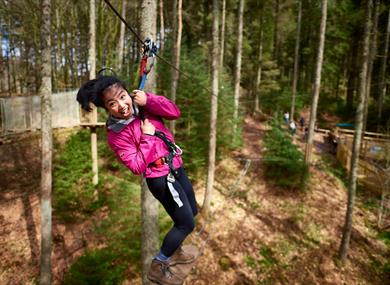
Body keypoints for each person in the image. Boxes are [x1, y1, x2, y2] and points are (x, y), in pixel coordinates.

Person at [77, 76, 197, 285]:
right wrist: (148, 138)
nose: (122, 106)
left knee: (192, 211)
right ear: (106, 108)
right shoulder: (116, 134)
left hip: (176, 166)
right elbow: (136, 166)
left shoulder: (144, 108)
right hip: (160, 178)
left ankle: (174, 253)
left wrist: (149, 100)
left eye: (123, 97)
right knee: (186, 223)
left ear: (127, 93)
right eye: (112, 103)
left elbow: (174, 112)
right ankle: (158, 266)